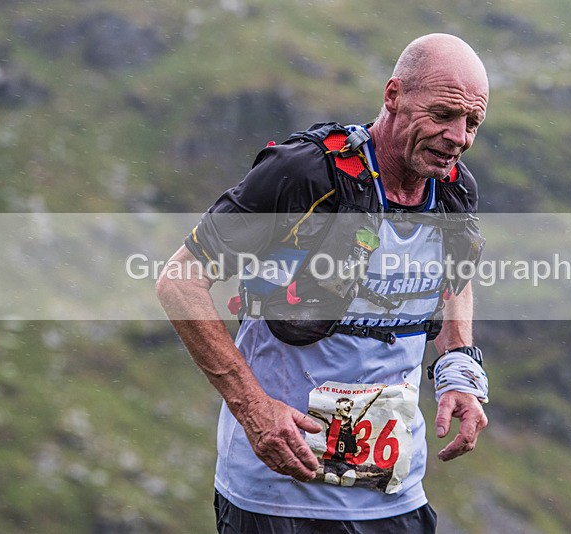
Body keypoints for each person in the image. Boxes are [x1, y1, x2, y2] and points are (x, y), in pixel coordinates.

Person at [156, 33, 489, 533]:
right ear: (394, 95)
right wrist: (254, 410)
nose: (459, 137)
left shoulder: (453, 189)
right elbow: (179, 280)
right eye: (442, 115)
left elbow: (453, 281)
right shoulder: (305, 173)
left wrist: (459, 370)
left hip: (392, 495)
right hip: (275, 498)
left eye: (472, 122)